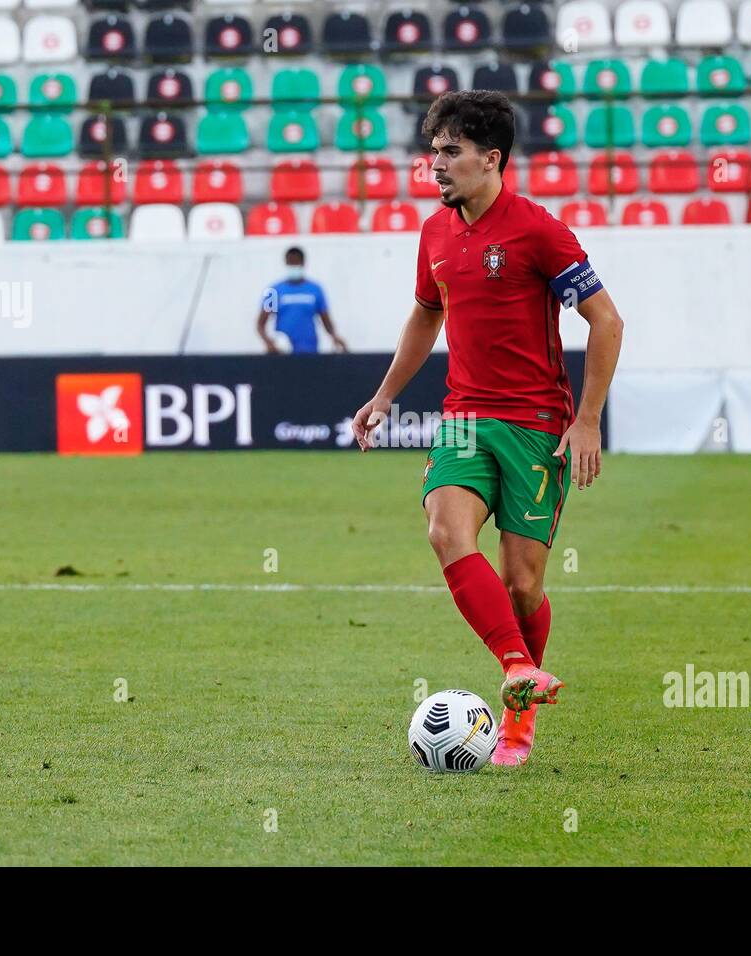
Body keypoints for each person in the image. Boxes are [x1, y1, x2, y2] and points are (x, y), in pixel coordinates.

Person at [351, 91, 625, 767]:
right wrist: (385, 395)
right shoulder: (434, 234)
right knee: (445, 531)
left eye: (451, 153)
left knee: (522, 585)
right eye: (433, 151)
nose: (435, 166)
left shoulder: (538, 231)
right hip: (464, 418)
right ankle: (515, 668)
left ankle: (520, 719)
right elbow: (425, 316)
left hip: (536, 425)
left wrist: (587, 421)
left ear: (491, 159)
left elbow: (607, 322)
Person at [257, 247, 348, 354]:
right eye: (290, 263)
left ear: (303, 263)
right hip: (283, 352)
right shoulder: (274, 291)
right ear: (286, 263)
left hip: (309, 350)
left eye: (296, 263)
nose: (293, 266)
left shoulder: (315, 289)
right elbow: (261, 323)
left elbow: (326, 321)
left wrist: (334, 336)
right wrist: (269, 342)